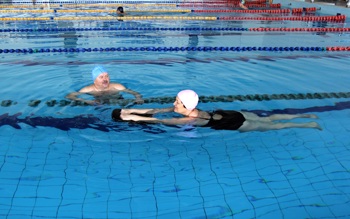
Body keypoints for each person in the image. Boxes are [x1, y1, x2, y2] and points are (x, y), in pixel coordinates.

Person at [112, 89, 322, 132]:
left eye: (177, 101)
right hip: (231, 112)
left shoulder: (187, 120)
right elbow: (158, 112)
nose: (173, 103)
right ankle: (303, 114)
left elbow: (159, 122)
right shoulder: (189, 109)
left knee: (271, 126)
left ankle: (304, 123)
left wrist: (131, 119)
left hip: (236, 122)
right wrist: (128, 111)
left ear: (186, 107)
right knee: (271, 117)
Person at [66, 66, 143, 105]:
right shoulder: (88, 89)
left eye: (107, 76)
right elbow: (70, 96)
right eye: (101, 77)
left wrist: (138, 98)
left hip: (117, 102)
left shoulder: (117, 86)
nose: (105, 79)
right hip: (98, 104)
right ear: (94, 80)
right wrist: (86, 101)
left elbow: (135, 93)